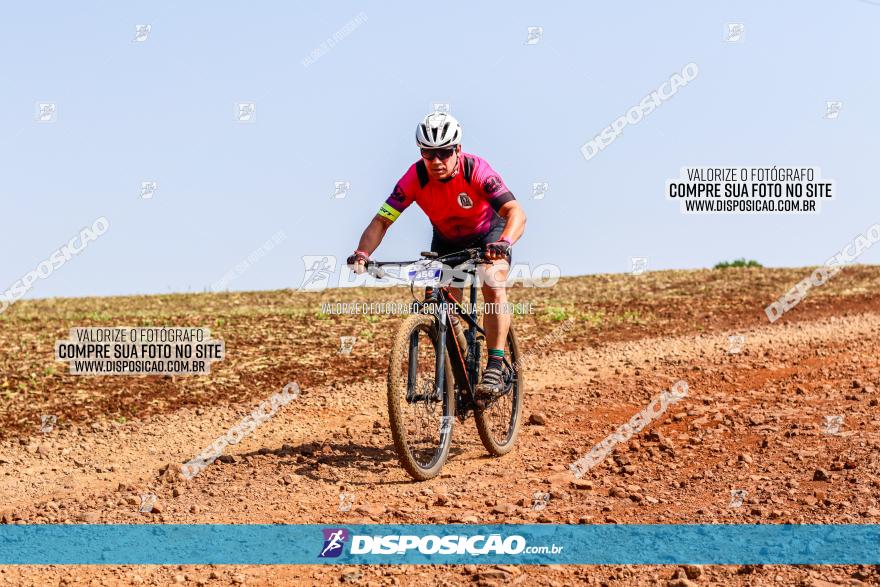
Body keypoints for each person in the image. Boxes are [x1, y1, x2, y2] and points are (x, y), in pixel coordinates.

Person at [347, 111, 526, 399]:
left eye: (444, 152)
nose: (437, 161)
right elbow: (382, 220)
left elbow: (515, 212)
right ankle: (462, 371)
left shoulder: (477, 170)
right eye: (430, 154)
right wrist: (362, 252)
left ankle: (494, 364)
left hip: (489, 234)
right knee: (438, 301)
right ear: (421, 153)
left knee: (492, 281)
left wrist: (504, 242)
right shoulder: (414, 178)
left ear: (457, 149)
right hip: (447, 241)